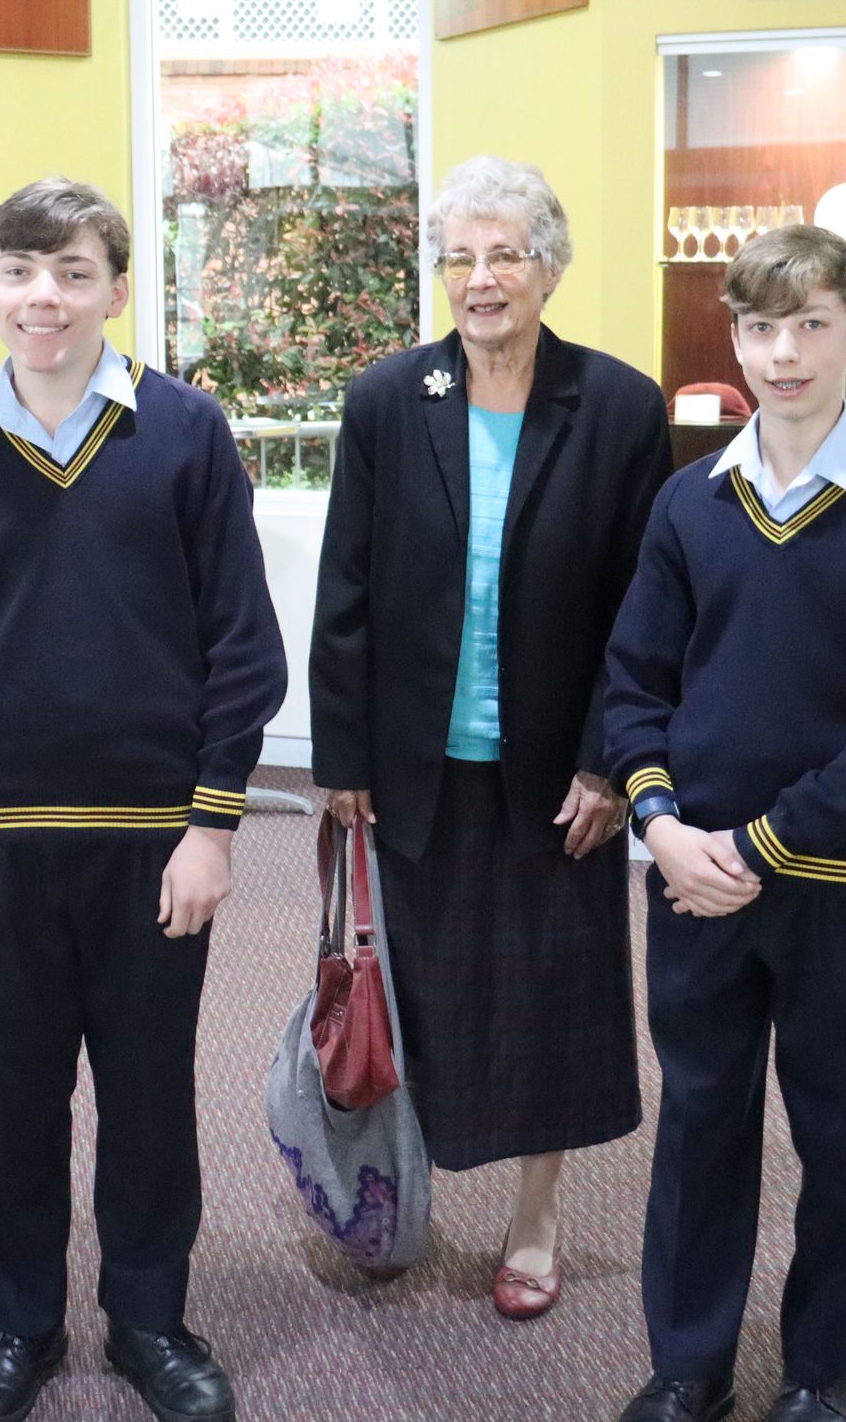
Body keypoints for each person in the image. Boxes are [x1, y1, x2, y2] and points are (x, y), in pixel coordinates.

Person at [0, 178, 287, 1422]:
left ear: (115, 289)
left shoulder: (185, 432)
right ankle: (19, 1320)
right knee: (14, 1100)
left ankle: (149, 1319)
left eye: (71, 272)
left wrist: (211, 824)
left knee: (148, 1096)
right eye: (20, 270)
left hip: (153, 845)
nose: (44, 296)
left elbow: (243, 647)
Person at [309, 155, 670, 1320]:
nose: (480, 279)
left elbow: (641, 607)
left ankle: (533, 1220)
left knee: (547, 1004)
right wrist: (341, 755)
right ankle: (399, 1196)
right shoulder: (385, 399)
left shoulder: (618, 406)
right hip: (416, 767)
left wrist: (612, 759)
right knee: (418, 995)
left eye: (504, 253)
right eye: (459, 257)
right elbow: (345, 589)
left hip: (558, 777)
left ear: (547, 267)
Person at [604, 225, 846, 1422]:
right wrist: (659, 823)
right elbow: (632, 687)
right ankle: (688, 1363)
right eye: (761, 327)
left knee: (834, 1131)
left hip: (835, 886)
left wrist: (758, 843)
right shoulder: (687, 503)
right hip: (692, 873)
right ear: (736, 339)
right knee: (700, 1118)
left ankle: (815, 1372)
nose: (784, 353)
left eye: (811, 325)